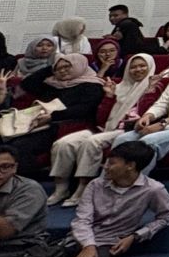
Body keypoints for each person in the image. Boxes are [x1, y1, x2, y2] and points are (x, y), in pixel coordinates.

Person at [49, 52, 158, 208]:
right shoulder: (119, 87)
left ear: (150, 67)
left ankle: (83, 187)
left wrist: (149, 92)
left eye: (142, 66)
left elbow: (150, 114)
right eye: (133, 67)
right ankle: (61, 187)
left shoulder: (155, 87)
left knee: (92, 142)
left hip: (128, 130)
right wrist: (109, 97)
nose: (137, 70)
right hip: (105, 128)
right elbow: (101, 119)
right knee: (63, 143)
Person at [61, 141, 169, 257]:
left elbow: (166, 217)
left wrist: (136, 236)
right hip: (81, 239)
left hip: (110, 243)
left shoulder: (153, 189)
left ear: (130, 166)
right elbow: (82, 219)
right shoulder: (95, 185)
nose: (105, 167)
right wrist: (88, 245)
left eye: (111, 163)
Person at [7, 53, 106, 178]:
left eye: (67, 67)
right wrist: (51, 67)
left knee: (21, 146)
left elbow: (85, 109)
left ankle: (30, 178)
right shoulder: (53, 84)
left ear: (79, 66)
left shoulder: (93, 85)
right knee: (9, 144)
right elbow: (27, 84)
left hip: (71, 125)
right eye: (58, 69)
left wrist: (53, 116)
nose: (62, 71)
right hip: (42, 123)